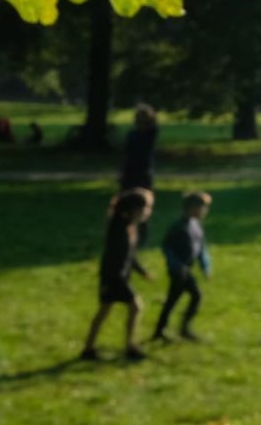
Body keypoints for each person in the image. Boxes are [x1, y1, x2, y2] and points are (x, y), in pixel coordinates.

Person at [80, 188, 153, 362]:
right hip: (114, 278)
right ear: (135, 208)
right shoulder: (118, 228)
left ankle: (89, 348)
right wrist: (111, 280)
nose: (148, 212)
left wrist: (142, 271)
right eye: (146, 208)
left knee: (105, 311)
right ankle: (130, 346)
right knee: (135, 307)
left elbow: (130, 255)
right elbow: (112, 258)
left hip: (120, 277)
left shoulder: (130, 227)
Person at [153, 191, 214, 343]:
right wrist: (175, 265)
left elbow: (201, 247)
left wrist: (205, 266)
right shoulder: (178, 227)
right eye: (203, 208)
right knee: (195, 295)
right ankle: (183, 329)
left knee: (173, 299)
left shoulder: (196, 225)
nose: (205, 211)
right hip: (178, 269)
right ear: (192, 208)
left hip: (186, 268)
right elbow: (167, 247)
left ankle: (161, 330)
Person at [120, 105, 159, 192]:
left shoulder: (150, 133)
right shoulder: (132, 134)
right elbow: (127, 153)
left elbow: (154, 125)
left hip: (143, 169)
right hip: (130, 169)